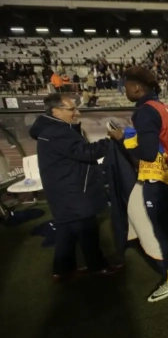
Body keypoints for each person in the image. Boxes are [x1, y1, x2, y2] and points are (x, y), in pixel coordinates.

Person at [107, 66, 168, 303]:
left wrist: (122, 139)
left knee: (161, 230)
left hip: (159, 177)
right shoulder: (160, 106)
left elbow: (149, 153)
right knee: (167, 221)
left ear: (137, 87)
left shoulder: (145, 111)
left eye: (126, 87)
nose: (125, 91)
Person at [30, 93, 116, 282]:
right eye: (71, 109)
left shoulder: (52, 129)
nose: (77, 113)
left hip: (62, 189)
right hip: (73, 191)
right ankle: (97, 267)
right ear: (56, 111)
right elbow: (86, 152)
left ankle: (62, 270)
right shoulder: (57, 132)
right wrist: (111, 140)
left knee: (66, 231)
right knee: (87, 231)